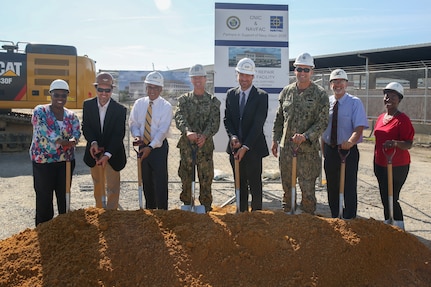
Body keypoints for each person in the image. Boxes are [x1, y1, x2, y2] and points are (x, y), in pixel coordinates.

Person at [272, 52, 329, 214]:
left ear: (312, 72)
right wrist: (276, 140)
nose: (302, 73)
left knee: (307, 189)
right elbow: (279, 119)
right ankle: (289, 216)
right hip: (287, 150)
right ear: (294, 70)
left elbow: (322, 121)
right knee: (287, 187)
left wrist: (306, 136)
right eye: (299, 69)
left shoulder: (320, 94)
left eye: (306, 69)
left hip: (308, 152)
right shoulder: (286, 92)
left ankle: (307, 222)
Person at [29, 79, 80, 225]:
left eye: (63, 95)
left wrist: (73, 140)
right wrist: (61, 141)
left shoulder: (71, 116)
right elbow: (44, 130)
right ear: (50, 95)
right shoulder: (40, 111)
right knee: (44, 197)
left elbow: (76, 132)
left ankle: (63, 228)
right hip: (44, 162)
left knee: (64, 196)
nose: (60, 99)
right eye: (57, 95)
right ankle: (44, 229)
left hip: (65, 161)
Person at [321, 69, 369, 219]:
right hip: (330, 150)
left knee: (349, 185)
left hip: (348, 151)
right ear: (330, 85)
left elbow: (359, 127)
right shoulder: (326, 102)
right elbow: (323, 127)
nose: (338, 84)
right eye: (334, 82)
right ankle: (336, 215)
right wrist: (324, 150)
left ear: (346, 84)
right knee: (332, 185)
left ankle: (349, 217)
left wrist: (350, 141)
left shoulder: (354, 102)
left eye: (341, 81)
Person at [224, 58, 269, 212]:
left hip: (254, 149)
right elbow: (227, 119)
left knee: (255, 184)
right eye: (241, 74)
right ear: (237, 74)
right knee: (240, 183)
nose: (244, 79)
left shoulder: (261, 96)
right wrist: (233, 137)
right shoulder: (231, 94)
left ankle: (256, 217)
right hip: (235, 148)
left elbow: (258, 124)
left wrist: (245, 147)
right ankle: (241, 213)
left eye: (247, 75)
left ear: (253, 76)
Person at [174, 64, 221, 212]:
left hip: (205, 147)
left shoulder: (213, 101)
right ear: (191, 80)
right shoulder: (183, 100)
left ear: (205, 79)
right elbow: (179, 117)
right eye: (194, 78)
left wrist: (205, 136)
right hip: (187, 146)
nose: (197, 80)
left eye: (200, 77)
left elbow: (215, 122)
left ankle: (205, 207)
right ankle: (187, 204)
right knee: (186, 176)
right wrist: (187, 132)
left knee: (206, 178)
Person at [82, 72, 127, 210]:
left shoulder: (120, 110)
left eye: (107, 90)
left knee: (112, 186)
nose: (103, 93)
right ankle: (100, 211)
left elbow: (118, 134)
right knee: (98, 184)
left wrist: (107, 154)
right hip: (94, 153)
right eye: (100, 89)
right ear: (95, 88)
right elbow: (87, 127)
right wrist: (93, 142)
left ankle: (112, 214)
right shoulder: (88, 105)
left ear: (112, 90)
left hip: (112, 154)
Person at [373, 82, 414, 230]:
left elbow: (408, 143)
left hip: (397, 165)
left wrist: (396, 143)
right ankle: (388, 225)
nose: (388, 98)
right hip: (380, 163)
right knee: (385, 196)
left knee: (392, 197)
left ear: (399, 99)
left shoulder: (403, 120)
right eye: (386, 95)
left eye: (393, 96)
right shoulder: (380, 118)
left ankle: (399, 227)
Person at [129, 71, 173, 210]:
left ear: (161, 89)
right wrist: (137, 136)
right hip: (142, 146)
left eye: (156, 88)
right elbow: (133, 123)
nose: (152, 90)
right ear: (146, 87)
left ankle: (162, 213)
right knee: (146, 180)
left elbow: (162, 131)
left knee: (160, 182)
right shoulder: (139, 104)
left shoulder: (166, 106)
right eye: (150, 87)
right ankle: (150, 212)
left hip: (158, 148)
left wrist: (151, 147)